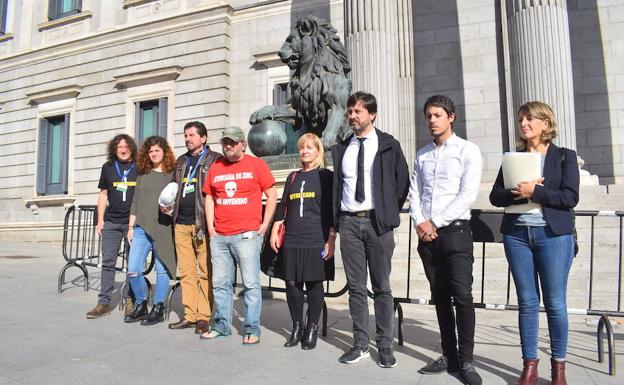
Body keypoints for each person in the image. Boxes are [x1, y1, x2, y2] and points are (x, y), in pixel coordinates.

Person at [489, 101, 579, 385]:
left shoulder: (564, 156)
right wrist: (518, 193)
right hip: (517, 236)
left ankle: (559, 369)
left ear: (545, 123)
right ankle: (529, 366)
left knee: (555, 304)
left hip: (553, 236)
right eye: (520, 120)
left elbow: (570, 197)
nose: (524, 124)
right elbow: (495, 196)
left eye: (529, 119)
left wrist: (536, 191)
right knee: (527, 303)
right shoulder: (513, 159)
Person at [409, 95, 483, 385]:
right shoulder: (422, 154)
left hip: (455, 233)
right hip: (428, 237)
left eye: (437, 115)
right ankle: (448, 354)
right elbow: (415, 193)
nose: (431, 120)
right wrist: (420, 222)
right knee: (439, 297)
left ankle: (466, 360)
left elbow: (467, 194)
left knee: (462, 296)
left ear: (451, 117)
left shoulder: (468, 150)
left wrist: (434, 222)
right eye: (428, 115)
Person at [332, 92, 409, 368]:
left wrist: (388, 212)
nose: (352, 116)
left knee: (382, 287)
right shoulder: (343, 147)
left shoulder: (388, 144)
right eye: (350, 111)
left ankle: (385, 346)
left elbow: (402, 184)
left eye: (358, 111)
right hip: (349, 223)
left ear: (372, 114)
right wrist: (338, 223)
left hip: (378, 223)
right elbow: (338, 186)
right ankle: (361, 344)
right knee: (355, 287)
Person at [202, 127, 277, 344]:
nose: (228, 146)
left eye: (232, 142)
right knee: (220, 284)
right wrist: (211, 228)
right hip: (220, 236)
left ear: (242, 144)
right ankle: (222, 325)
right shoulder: (216, 166)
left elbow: (271, 194)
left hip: (247, 235)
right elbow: (209, 197)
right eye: (225, 142)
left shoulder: (256, 165)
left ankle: (252, 328)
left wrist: (264, 225)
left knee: (251, 284)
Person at [269, 133, 335, 350]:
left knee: (315, 283)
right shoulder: (292, 177)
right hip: (293, 238)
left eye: (309, 147)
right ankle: (297, 326)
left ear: (318, 151)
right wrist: (275, 229)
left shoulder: (326, 176)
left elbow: (331, 210)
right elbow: (283, 206)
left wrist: (331, 238)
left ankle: (312, 327)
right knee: (291, 283)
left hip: (316, 237)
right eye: (301, 148)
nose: (304, 151)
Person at [166, 122, 221, 335]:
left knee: (205, 271)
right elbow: (173, 188)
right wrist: (166, 204)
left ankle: (203, 317)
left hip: (202, 223)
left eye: (191, 135)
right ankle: (189, 315)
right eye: (185, 135)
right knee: (187, 272)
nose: (187, 138)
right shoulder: (181, 161)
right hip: (180, 222)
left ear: (204, 138)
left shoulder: (214, 159)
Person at [124, 136, 177, 325]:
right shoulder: (143, 174)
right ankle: (141, 303)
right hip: (140, 228)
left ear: (164, 152)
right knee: (133, 270)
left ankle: (158, 307)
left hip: (163, 227)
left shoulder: (173, 174)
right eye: (150, 151)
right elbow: (135, 203)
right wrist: (131, 227)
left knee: (162, 271)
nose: (153, 154)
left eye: (157, 150)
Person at [87, 134, 138, 319]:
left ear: (131, 148)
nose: (123, 150)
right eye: (119, 147)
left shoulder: (139, 167)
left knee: (133, 264)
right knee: (108, 262)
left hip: (133, 223)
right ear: (114, 150)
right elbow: (103, 195)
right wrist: (100, 220)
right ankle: (104, 303)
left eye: (126, 146)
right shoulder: (108, 167)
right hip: (111, 222)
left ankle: (130, 300)